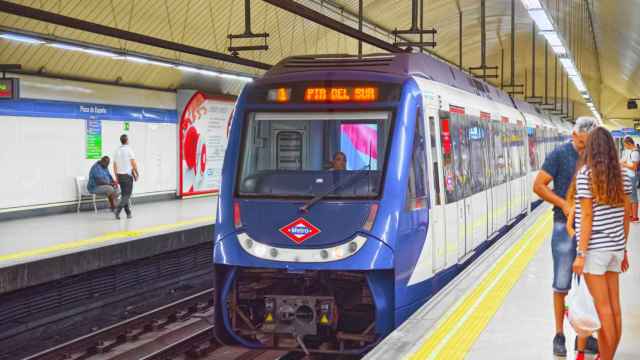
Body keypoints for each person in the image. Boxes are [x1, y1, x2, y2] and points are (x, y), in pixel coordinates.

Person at [533, 116, 598, 357]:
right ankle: (559, 334)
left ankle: (585, 336)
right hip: (563, 227)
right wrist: (564, 204)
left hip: (589, 230)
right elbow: (538, 185)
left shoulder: (595, 156)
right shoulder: (559, 155)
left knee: (588, 284)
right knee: (561, 283)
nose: (584, 149)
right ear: (573, 136)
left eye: (588, 144)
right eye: (581, 144)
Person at [572, 127, 631, 360]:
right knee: (614, 309)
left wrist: (580, 253)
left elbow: (587, 216)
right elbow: (626, 215)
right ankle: (608, 356)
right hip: (616, 247)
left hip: (595, 250)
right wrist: (623, 249)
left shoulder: (586, 174)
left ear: (591, 148)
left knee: (602, 309)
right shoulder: (623, 175)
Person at [113, 134, 139, 220]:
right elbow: (133, 163)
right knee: (127, 195)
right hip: (127, 176)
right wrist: (137, 173)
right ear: (127, 140)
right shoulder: (129, 150)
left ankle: (128, 213)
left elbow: (114, 165)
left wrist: (116, 177)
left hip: (120, 176)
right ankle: (118, 210)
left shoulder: (117, 151)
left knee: (125, 194)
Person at [619, 136, 639, 221]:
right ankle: (631, 215)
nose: (625, 146)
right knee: (630, 196)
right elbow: (623, 161)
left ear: (629, 143)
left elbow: (634, 167)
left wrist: (624, 165)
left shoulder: (635, 153)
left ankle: (635, 217)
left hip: (633, 176)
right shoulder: (630, 152)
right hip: (629, 175)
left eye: (625, 144)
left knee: (633, 197)